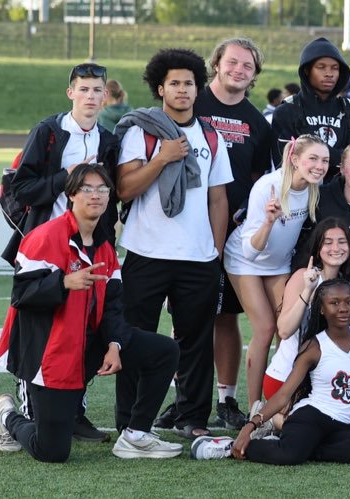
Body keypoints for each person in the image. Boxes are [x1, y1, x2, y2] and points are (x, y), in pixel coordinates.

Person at [0, 164, 182, 463]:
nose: (96, 195)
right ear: (71, 195)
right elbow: (21, 295)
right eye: (88, 189)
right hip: (50, 353)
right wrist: (64, 283)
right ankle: (8, 418)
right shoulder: (45, 237)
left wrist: (115, 345)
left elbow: (113, 305)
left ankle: (136, 434)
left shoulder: (105, 246)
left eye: (103, 190)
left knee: (164, 350)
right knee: (52, 451)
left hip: (89, 345)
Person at [114, 48, 232, 439]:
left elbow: (218, 198)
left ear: (199, 90)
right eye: (175, 83)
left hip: (198, 259)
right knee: (133, 337)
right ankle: (130, 419)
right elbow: (125, 189)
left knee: (196, 343)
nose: (183, 90)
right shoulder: (140, 131)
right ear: (160, 87)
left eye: (189, 84)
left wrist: (214, 251)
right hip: (145, 253)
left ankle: (192, 418)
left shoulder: (212, 136)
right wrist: (162, 158)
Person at [0, 62, 121, 442]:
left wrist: (106, 240)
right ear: (71, 93)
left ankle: (75, 410)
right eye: (83, 89)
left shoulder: (108, 138)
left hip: (88, 246)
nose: (90, 96)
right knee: (37, 324)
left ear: (106, 95)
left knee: (87, 327)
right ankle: (25, 407)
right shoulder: (49, 132)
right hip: (45, 244)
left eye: (97, 90)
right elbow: (21, 188)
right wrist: (66, 176)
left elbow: (110, 194)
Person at [193, 279, 350, 466]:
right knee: (289, 456)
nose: (343, 308)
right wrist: (250, 425)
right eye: (334, 303)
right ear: (322, 309)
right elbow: (284, 394)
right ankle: (230, 447)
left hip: (344, 424)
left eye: (349, 302)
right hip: (312, 417)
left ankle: (305, 447)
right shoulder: (314, 346)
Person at [196, 37, 275, 430]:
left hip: (231, 233)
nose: (239, 70)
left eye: (248, 66)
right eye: (233, 62)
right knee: (187, 318)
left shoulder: (257, 123)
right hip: (185, 229)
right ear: (217, 64)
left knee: (226, 317)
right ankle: (185, 397)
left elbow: (259, 180)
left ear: (254, 75)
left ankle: (226, 399)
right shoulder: (192, 104)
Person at [229, 135, 326, 411]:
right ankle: (255, 408)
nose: (320, 166)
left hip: (278, 264)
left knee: (287, 329)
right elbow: (250, 250)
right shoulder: (267, 187)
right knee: (265, 328)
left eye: (325, 160)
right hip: (245, 260)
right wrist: (270, 222)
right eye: (313, 159)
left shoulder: (312, 189)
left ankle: (282, 402)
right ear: (295, 159)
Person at [266, 218, 350, 419]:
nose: (336, 248)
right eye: (328, 242)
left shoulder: (345, 283)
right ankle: (270, 421)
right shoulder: (303, 276)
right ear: (318, 247)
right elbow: (285, 330)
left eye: (342, 241)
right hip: (286, 380)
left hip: (321, 382)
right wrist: (307, 290)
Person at [270, 37, 350, 175]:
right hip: (301, 194)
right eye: (321, 67)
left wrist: (310, 152)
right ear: (307, 71)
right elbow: (286, 164)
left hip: (342, 195)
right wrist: (341, 157)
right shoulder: (286, 112)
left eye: (334, 68)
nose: (329, 73)